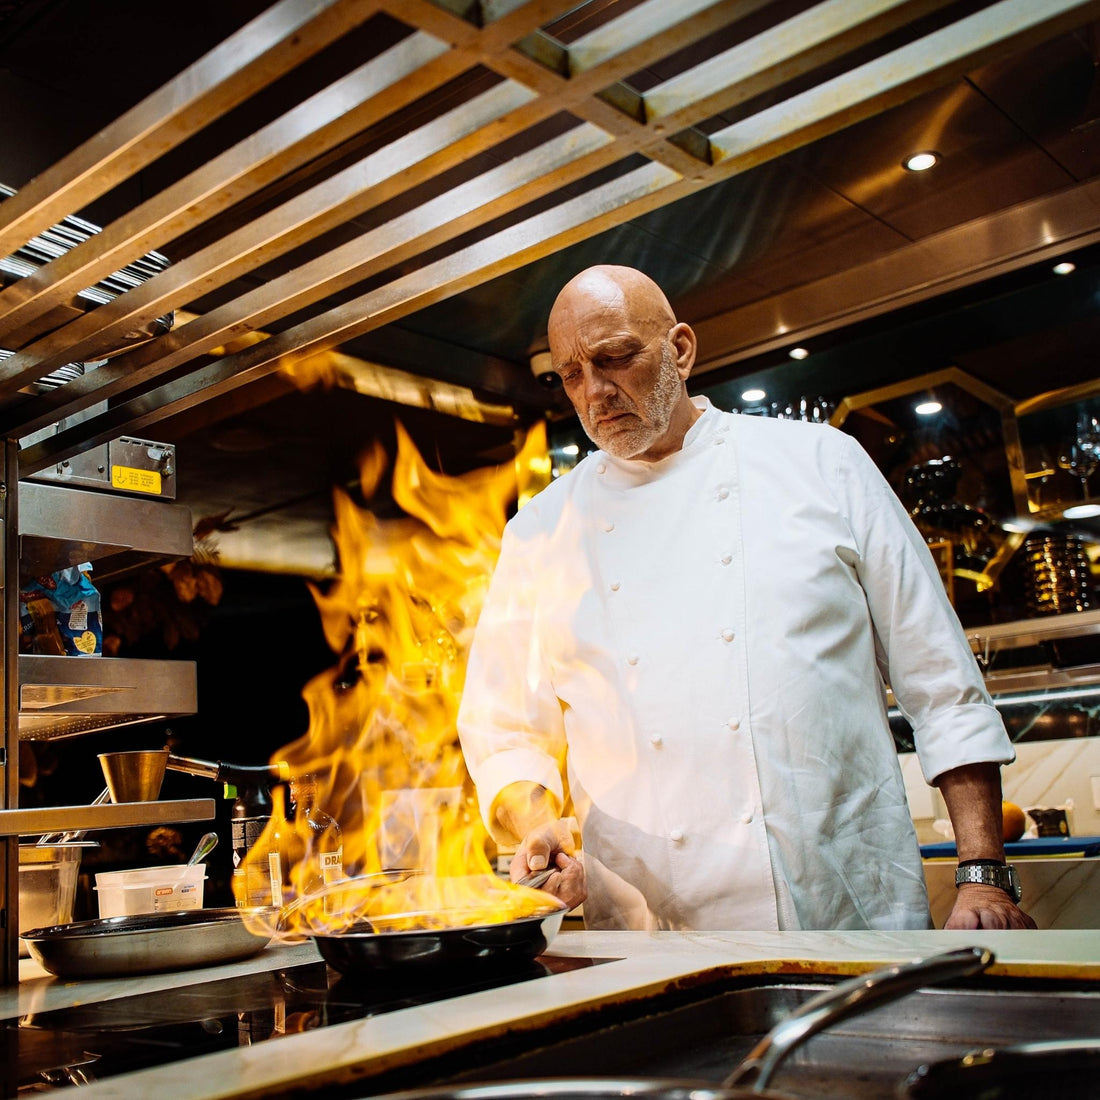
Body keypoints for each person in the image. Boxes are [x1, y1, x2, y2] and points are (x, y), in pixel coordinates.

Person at [457, 264, 1035, 932]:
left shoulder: (824, 463)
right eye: (571, 375)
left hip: (845, 915)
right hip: (650, 942)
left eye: (615, 358)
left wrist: (983, 876)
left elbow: (941, 685)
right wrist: (539, 828)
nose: (595, 393)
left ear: (680, 350)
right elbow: (505, 731)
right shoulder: (540, 531)